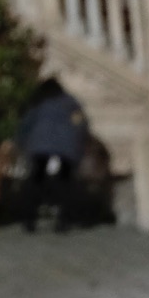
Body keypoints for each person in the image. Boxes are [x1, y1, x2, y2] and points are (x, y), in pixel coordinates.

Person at [16, 79, 90, 232]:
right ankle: (64, 221)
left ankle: (29, 220)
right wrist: (80, 144)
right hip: (66, 147)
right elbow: (81, 124)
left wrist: (21, 143)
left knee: (35, 181)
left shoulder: (38, 103)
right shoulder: (71, 103)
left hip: (40, 146)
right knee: (66, 183)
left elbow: (25, 125)